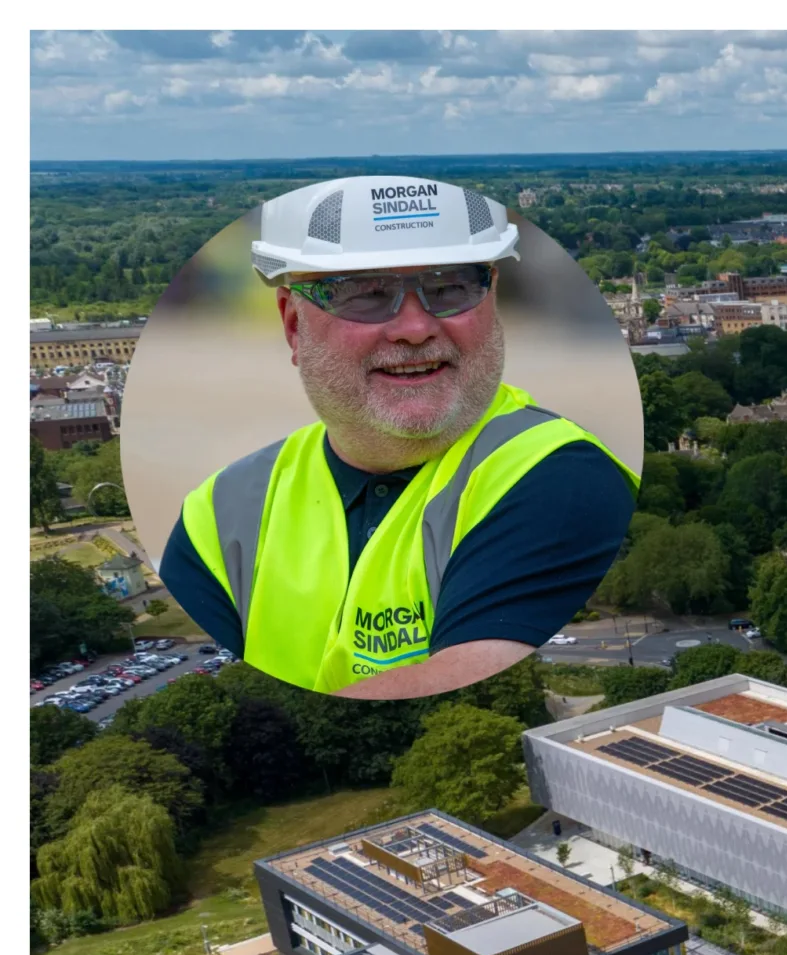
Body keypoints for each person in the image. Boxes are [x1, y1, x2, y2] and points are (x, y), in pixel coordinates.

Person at [160, 176, 636, 697]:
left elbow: (469, 678)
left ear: (491, 300)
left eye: (449, 287)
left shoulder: (559, 476)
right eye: (364, 294)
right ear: (294, 324)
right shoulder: (222, 512)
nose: (415, 327)